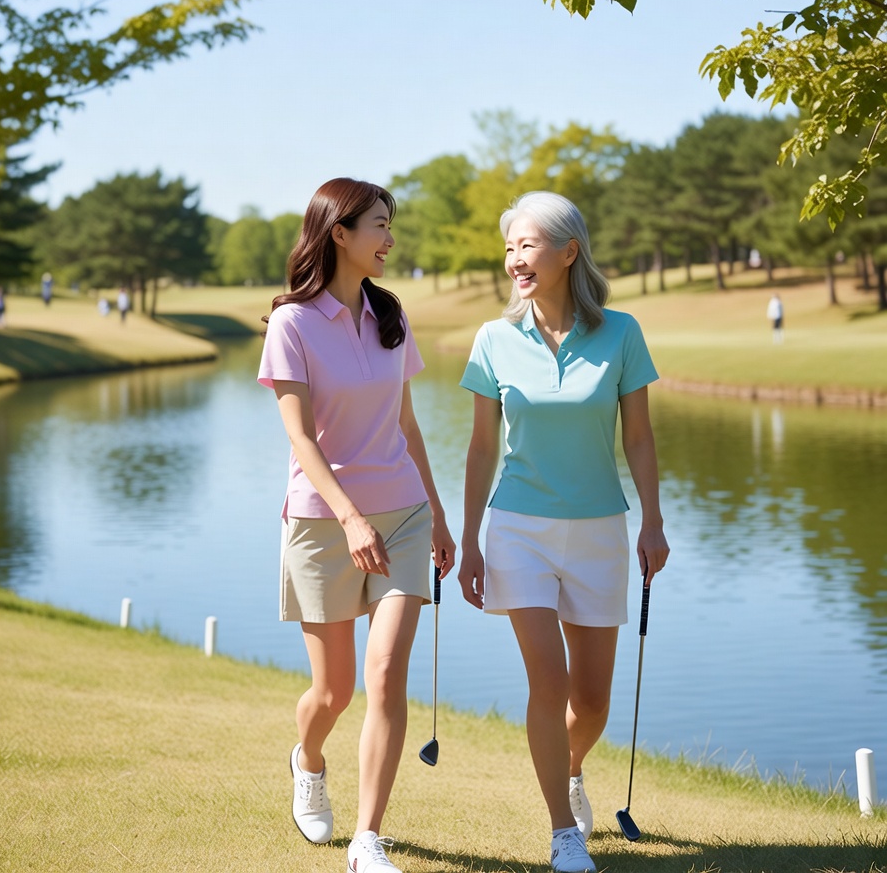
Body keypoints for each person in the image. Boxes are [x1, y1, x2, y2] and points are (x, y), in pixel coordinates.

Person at [458, 192, 670, 873]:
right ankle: (562, 832)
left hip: (602, 530)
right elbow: (481, 450)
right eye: (510, 247)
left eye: (528, 245)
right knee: (547, 683)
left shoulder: (621, 333)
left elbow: (638, 438)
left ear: (568, 251)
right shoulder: (493, 339)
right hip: (517, 527)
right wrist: (468, 539)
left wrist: (655, 521)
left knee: (591, 701)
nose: (515, 258)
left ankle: (570, 766)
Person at [257, 177, 455, 873]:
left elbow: (406, 425)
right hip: (322, 523)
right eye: (379, 224)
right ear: (339, 233)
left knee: (385, 672)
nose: (390, 238)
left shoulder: (390, 314)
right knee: (335, 690)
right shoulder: (292, 324)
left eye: (389, 224)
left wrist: (436, 515)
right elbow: (301, 440)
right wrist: (348, 518)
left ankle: (368, 840)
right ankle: (307, 760)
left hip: (401, 517)